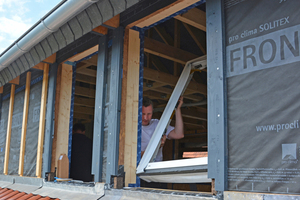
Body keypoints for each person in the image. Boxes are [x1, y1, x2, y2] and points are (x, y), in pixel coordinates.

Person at [141, 96, 184, 162]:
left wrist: (177, 110)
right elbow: (134, 156)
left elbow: (179, 134)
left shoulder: (157, 124)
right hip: (139, 167)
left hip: (156, 166)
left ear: (152, 111)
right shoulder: (132, 128)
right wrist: (157, 146)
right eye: (143, 114)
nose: (146, 118)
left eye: (149, 114)